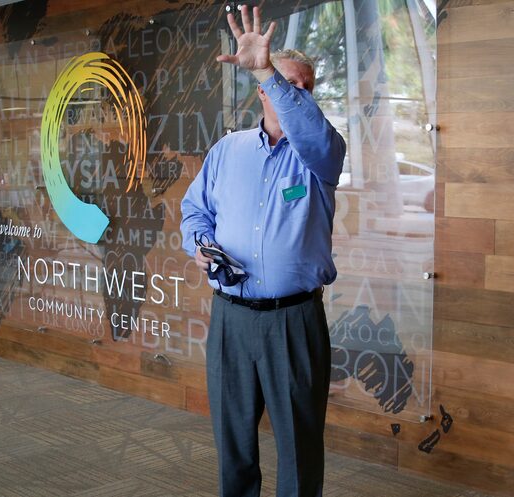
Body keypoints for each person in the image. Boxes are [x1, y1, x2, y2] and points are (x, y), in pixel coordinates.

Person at [180, 5, 345, 497]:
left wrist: (269, 70)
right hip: (231, 319)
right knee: (233, 443)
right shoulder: (228, 151)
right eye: (282, 85)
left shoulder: (321, 152)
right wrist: (200, 246)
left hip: (293, 323)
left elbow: (309, 127)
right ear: (258, 94)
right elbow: (195, 211)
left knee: (298, 447)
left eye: (304, 88)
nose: (294, 95)